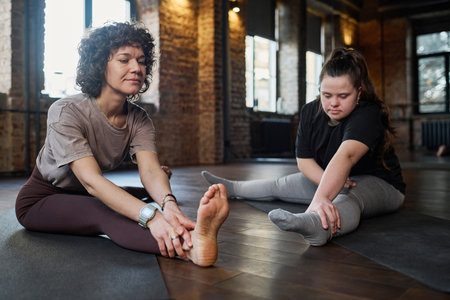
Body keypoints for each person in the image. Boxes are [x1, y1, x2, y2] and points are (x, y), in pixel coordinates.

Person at [15, 22, 229, 267]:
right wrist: (152, 217)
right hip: (42, 199)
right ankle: (191, 248)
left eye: (141, 60)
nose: (136, 68)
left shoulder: (139, 118)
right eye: (124, 60)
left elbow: (149, 170)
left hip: (82, 193)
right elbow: (92, 182)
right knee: (103, 208)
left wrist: (169, 205)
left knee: (140, 193)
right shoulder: (66, 111)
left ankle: (159, 208)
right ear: (100, 65)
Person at [202, 48, 405, 246]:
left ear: (358, 93)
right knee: (279, 185)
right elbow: (304, 161)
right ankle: (232, 187)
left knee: (348, 197)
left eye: (343, 96)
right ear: (319, 91)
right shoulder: (310, 111)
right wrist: (330, 184)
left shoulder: (367, 113)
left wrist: (321, 199)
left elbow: (347, 156)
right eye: (327, 95)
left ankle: (317, 227)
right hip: (334, 177)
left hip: (380, 183)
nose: (333, 103)